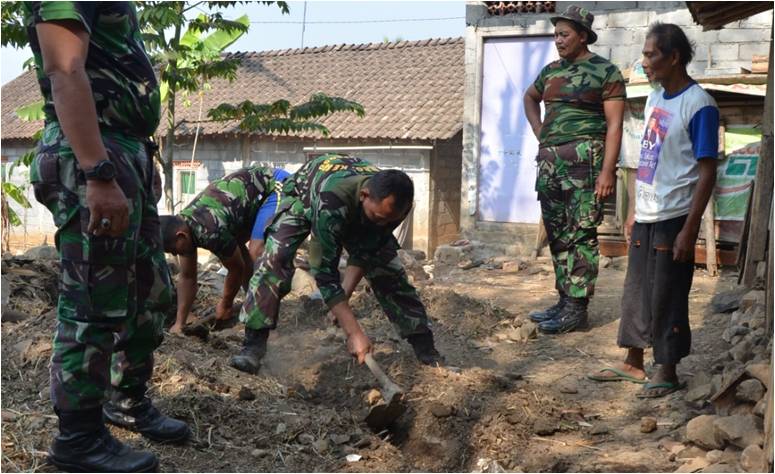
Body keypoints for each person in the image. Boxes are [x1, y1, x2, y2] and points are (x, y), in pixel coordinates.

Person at [25, 2, 189, 472]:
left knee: (150, 293)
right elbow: (64, 67)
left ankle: (126, 400)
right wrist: (97, 171)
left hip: (123, 152)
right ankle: (78, 438)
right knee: (94, 304)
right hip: (93, 152)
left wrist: (138, 160)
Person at [587, 24, 718, 398]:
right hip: (647, 213)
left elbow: (708, 171)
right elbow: (648, 158)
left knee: (668, 293)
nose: (644, 61)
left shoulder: (700, 105)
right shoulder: (655, 98)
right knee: (636, 291)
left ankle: (667, 368)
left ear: (673, 57)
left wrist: (689, 229)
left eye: (650, 54)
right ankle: (633, 361)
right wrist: (633, 208)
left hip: (675, 216)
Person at [230, 154, 444, 374]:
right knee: (275, 258)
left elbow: (366, 251)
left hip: (351, 205)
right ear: (364, 195)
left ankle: (426, 349)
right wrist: (354, 333)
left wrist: (343, 299)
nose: (384, 224)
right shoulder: (331, 201)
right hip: (303, 196)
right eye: (379, 217)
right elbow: (324, 272)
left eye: (389, 220)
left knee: (389, 273)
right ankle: (253, 346)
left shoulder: (393, 207)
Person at [523, 5, 625, 334]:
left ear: (583, 36)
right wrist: (540, 131)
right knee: (557, 231)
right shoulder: (550, 71)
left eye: (564, 34)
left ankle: (577, 309)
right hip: (550, 163)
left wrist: (608, 171)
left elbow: (615, 126)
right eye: (555, 35)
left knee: (581, 232)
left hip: (586, 161)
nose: (558, 40)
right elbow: (529, 97)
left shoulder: (605, 72)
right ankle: (564, 299)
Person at [160, 166, 290, 334]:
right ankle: (256, 308)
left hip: (275, 185)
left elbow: (236, 269)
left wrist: (226, 304)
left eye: (172, 249)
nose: (174, 254)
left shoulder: (209, 231)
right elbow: (187, 277)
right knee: (244, 258)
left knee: (256, 252)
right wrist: (180, 323)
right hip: (245, 206)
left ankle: (267, 316)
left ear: (181, 236)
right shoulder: (185, 228)